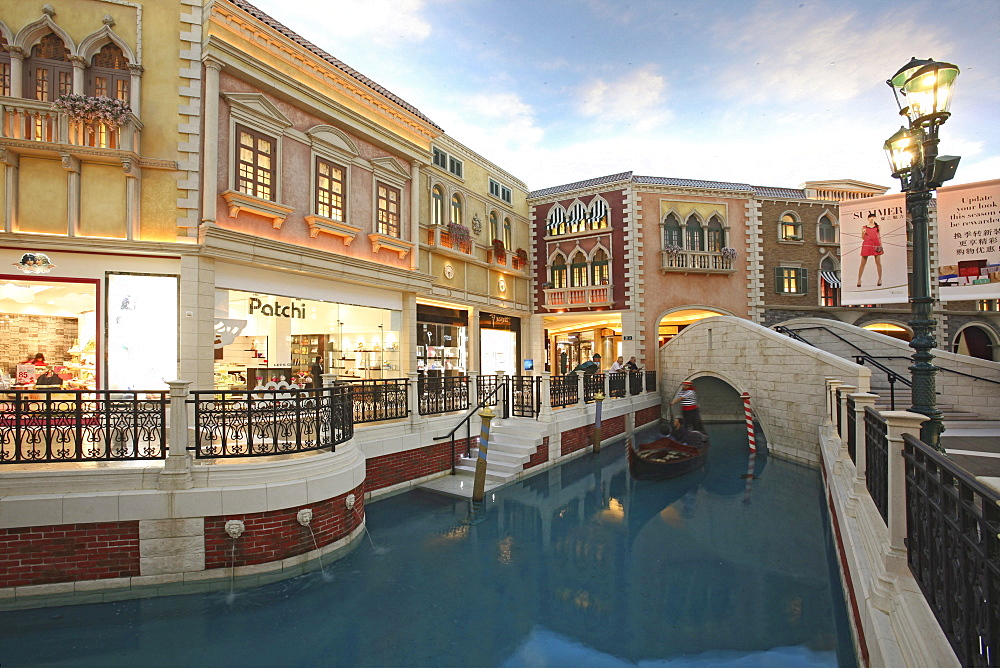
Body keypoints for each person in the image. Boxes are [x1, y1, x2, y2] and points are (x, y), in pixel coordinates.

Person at [857, 213, 884, 287]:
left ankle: (880, 279)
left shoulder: (878, 227)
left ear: (875, 218)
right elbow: (862, 237)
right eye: (870, 217)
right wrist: (863, 233)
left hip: (876, 244)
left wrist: (881, 246)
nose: (872, 219)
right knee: (862, 263)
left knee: (878, 263)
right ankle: (859, 279)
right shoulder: (864, 227)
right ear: (868, 219)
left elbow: (879, 237)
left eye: (873, 217)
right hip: (867, 244)